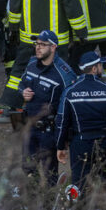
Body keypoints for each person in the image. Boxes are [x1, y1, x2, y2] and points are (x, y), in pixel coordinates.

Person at [1, 0, 86, 109]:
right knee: (57, 74)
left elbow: (14, 7)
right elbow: (72, 9)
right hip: (55, 42)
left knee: (18, 71)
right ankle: (57, 107)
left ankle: (9, 104)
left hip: (28, 38)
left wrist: (13, 30)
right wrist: (81, 33)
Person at [55, 52, 106, 204]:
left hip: (80, 143)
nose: (102, 68)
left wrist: (60, 146)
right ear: (94, 68)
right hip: (105, 142)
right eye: (100, 65)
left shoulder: (70, 91)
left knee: (78, 182)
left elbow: (61, 122)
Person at [16, 29, 76, 185]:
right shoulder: (31, 63)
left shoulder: (64, 73)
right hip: (29, 125)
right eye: (36, 44)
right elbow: (21, 84)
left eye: (43, 45)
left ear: (53, 47)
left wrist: (65, 138)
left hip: (49, 131)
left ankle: (50, 197)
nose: (38, 47)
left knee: (49, 172)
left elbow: (71, 106)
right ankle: (33, 194)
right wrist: (24, 92)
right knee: (27, 167)